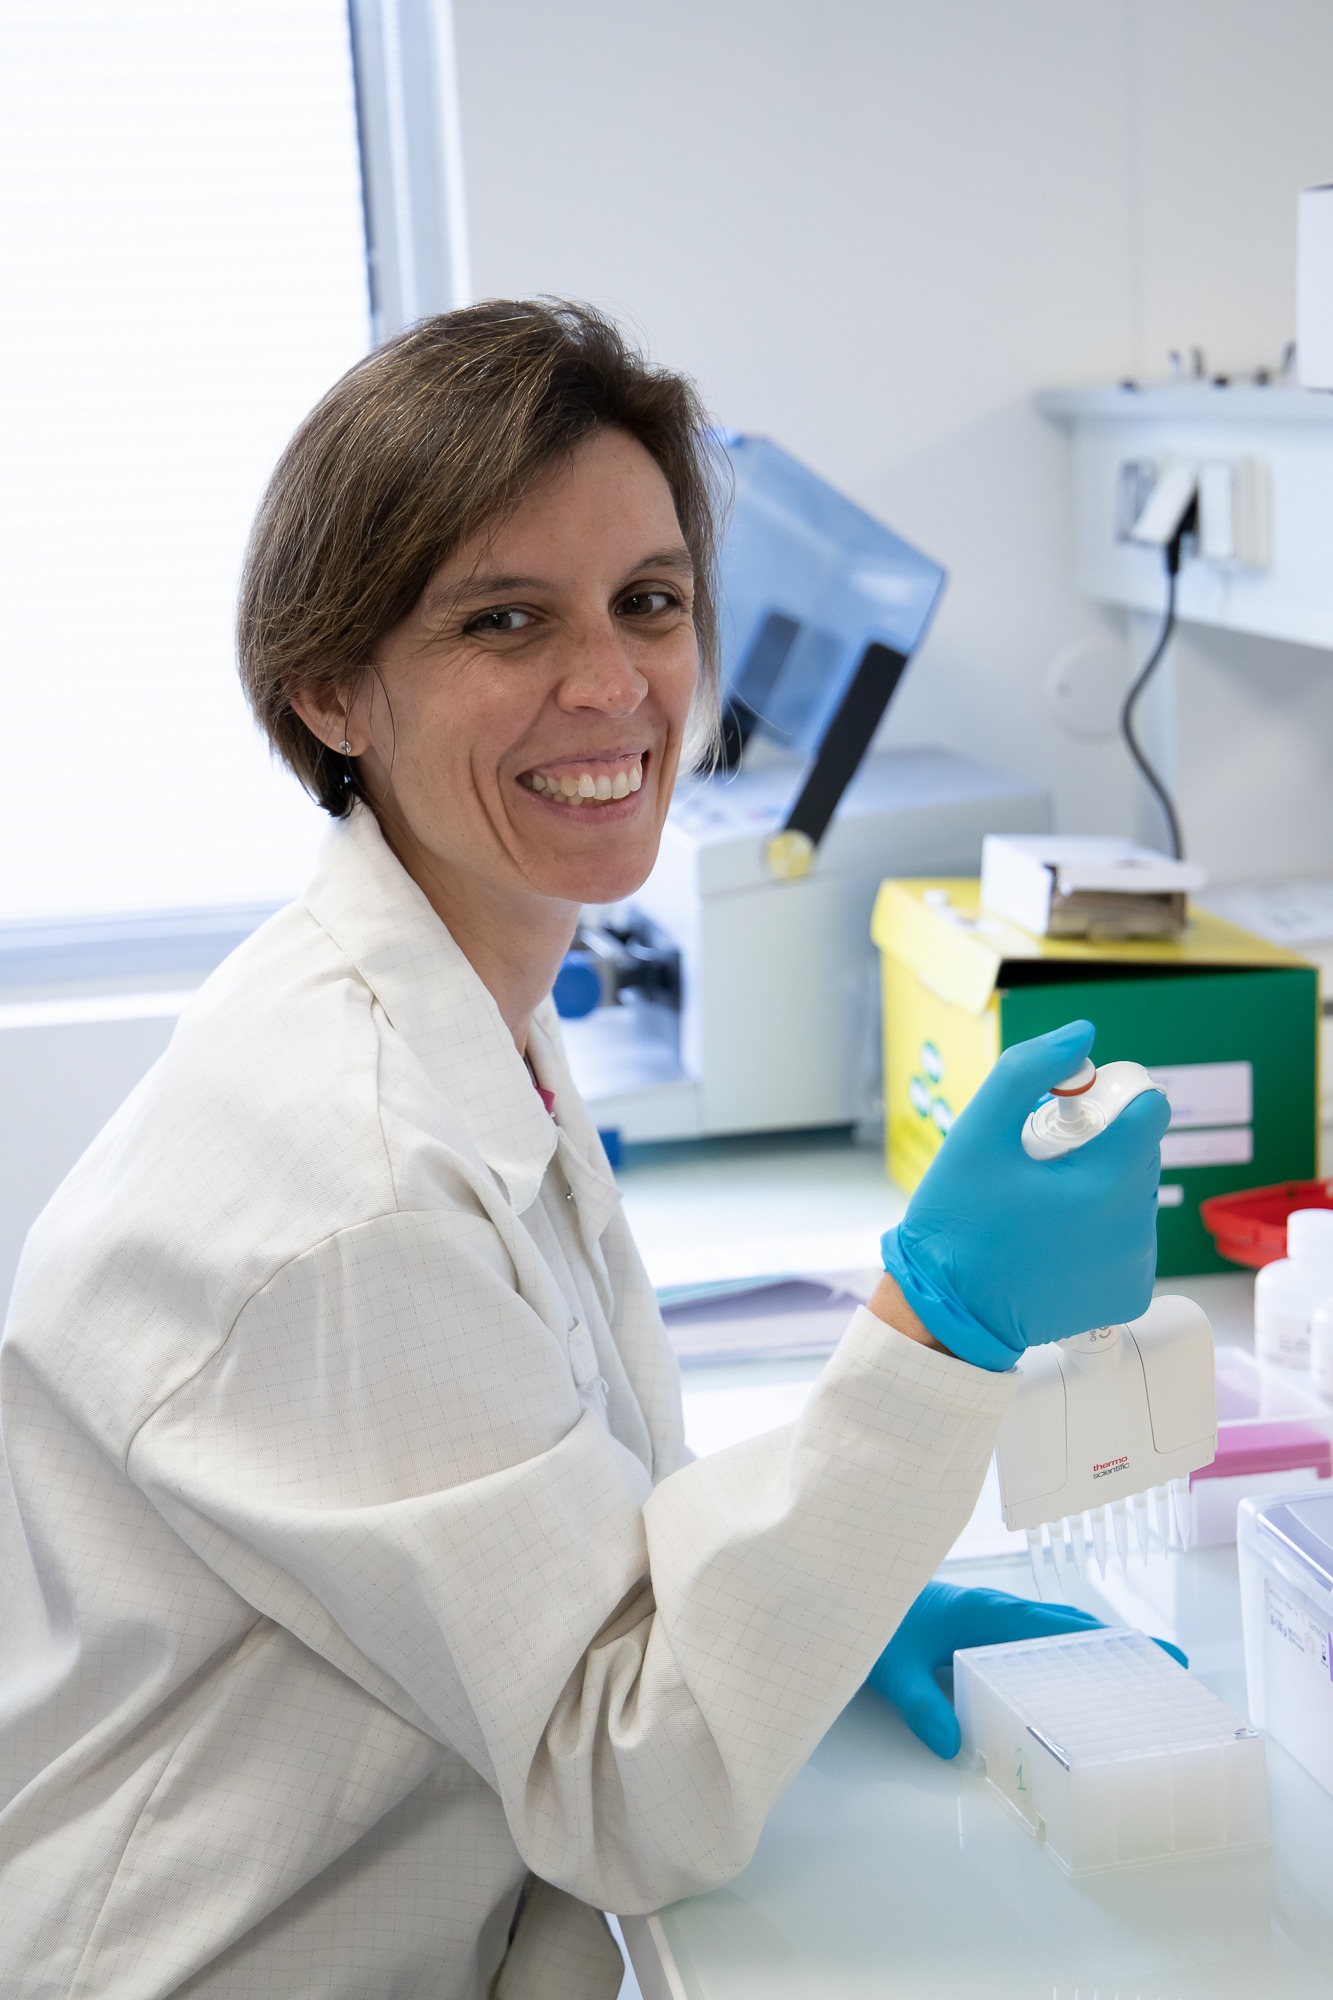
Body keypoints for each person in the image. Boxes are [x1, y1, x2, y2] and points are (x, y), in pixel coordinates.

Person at [0, 302, 1170, 1999]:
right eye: (504, 619)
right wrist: (934, 1328)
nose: (615, 684)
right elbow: (630, 1791)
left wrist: (815, 1612)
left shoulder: (463, 998)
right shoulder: (349, 1176)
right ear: (329, 687)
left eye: (650, 602)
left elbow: (575, 1535)